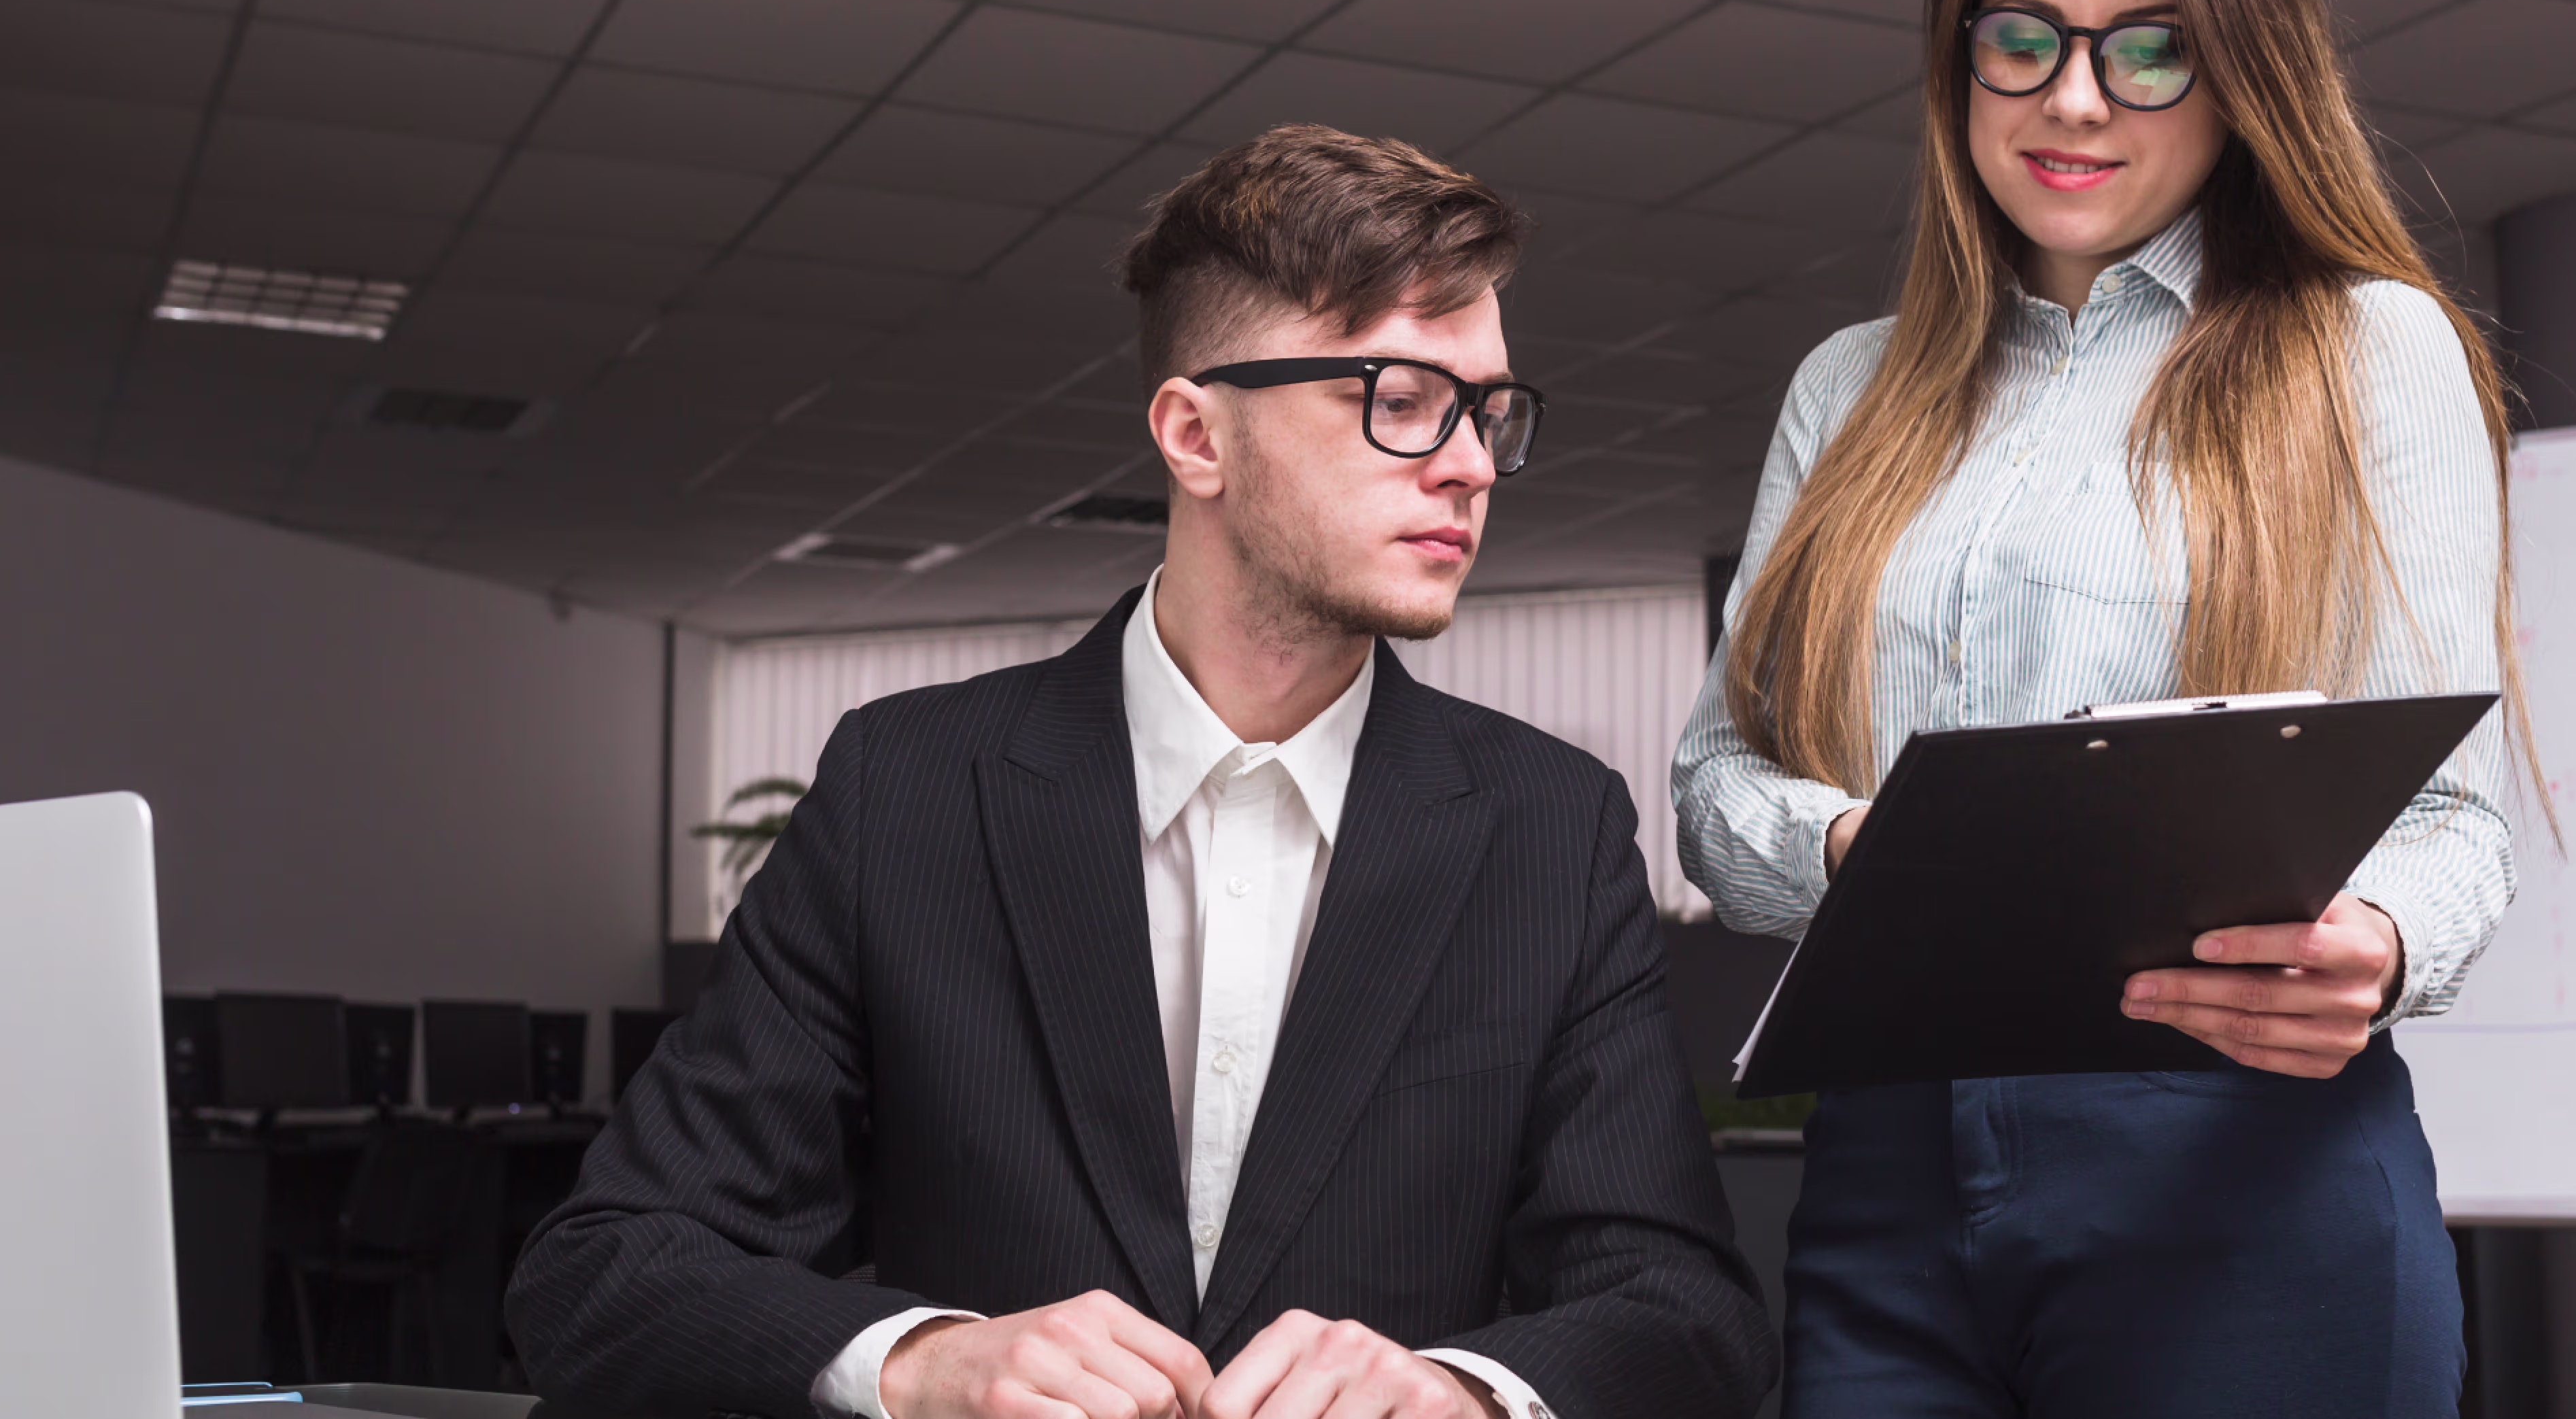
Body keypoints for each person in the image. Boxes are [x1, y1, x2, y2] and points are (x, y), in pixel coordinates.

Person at [511, 125, 1777, 1419]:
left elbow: (1684, 1315)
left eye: (1488, 410)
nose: (1465, 462)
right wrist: (922, 1360)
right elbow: (608, 1270)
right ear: (1194, 436)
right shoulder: (908, 789)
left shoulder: (1546, 827)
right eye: (1399, 400)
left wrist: (1462, 1391)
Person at [1670, 0, 2532, 1415]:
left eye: (2152, 51)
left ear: (2243, 70)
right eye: (2024, 40)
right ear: (1960, 62)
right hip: (1883, 1173)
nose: (2076, 101)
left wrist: (2382, 942)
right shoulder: (1843, 387)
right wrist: (1864, 841)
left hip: (2239, 1158)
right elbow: (1719, 787)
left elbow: (2456, 820)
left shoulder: (2365, 352)